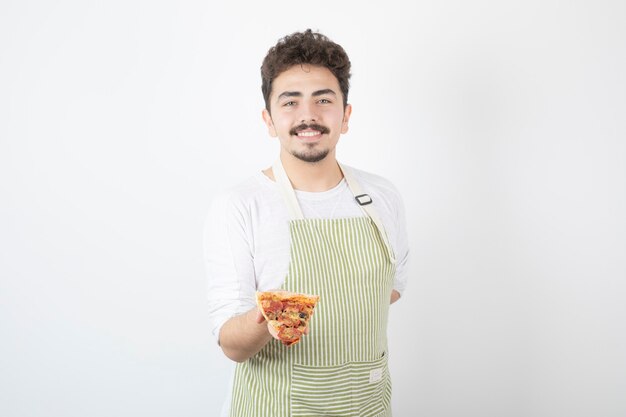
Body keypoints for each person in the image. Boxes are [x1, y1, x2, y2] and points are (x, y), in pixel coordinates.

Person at [204, 29, 409, 417]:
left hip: (367, 404)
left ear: (345, 116)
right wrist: (269, 317)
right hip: (281, 407)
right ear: (269, 119)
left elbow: (390, 290)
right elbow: (231, 345)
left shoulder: (381, 197)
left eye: (323, 100)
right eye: (290, 102)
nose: (308, 115)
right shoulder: (240, 205)